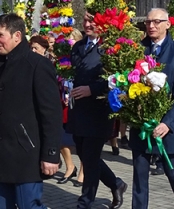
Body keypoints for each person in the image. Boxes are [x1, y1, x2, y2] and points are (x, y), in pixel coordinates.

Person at [0, 13, 61, 209]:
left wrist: (51, 154)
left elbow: (51, 114)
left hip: (27, 153)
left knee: (29, 206)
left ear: (17, 36)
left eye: (1, 35)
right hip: (2, 155)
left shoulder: (37, 65)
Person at [131, 8, 174, 209]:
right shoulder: (136, 50)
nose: (151, 25)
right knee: (140, 178)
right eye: (148, 22)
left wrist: (167, 122)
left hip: (168, 128)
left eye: (157, 21)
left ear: (168, 24)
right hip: (142, 126)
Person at [68, 13, 126, 209]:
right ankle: (116, 184)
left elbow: (116, 77)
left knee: (91, 158)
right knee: (85, 156)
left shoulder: (110, 47)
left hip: (98, 111)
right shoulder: (78, 46)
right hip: (78, 110)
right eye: (84, 20)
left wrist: (91, 89)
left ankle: (85, 202)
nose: (87, 24)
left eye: (92, 21)